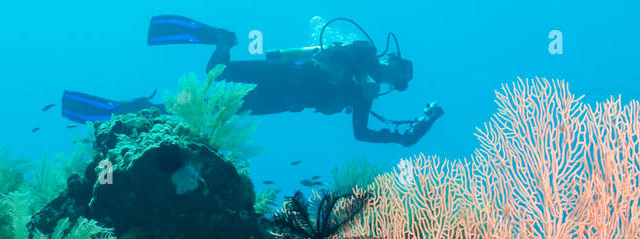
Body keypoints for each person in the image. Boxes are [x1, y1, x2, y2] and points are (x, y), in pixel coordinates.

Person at [62, 15, 442, 146]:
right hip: (284, 73)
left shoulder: (365, 96)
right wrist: (362, 82)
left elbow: (361, 134)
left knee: (201, 111)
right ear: (390, 56)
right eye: (398, 65)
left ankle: (134, 111)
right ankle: (218, 40)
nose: (394, 72)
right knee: (219, 75)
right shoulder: (364, 50)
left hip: (278, 102)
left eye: (400, 78)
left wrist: (403, 134)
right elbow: (344, 56)